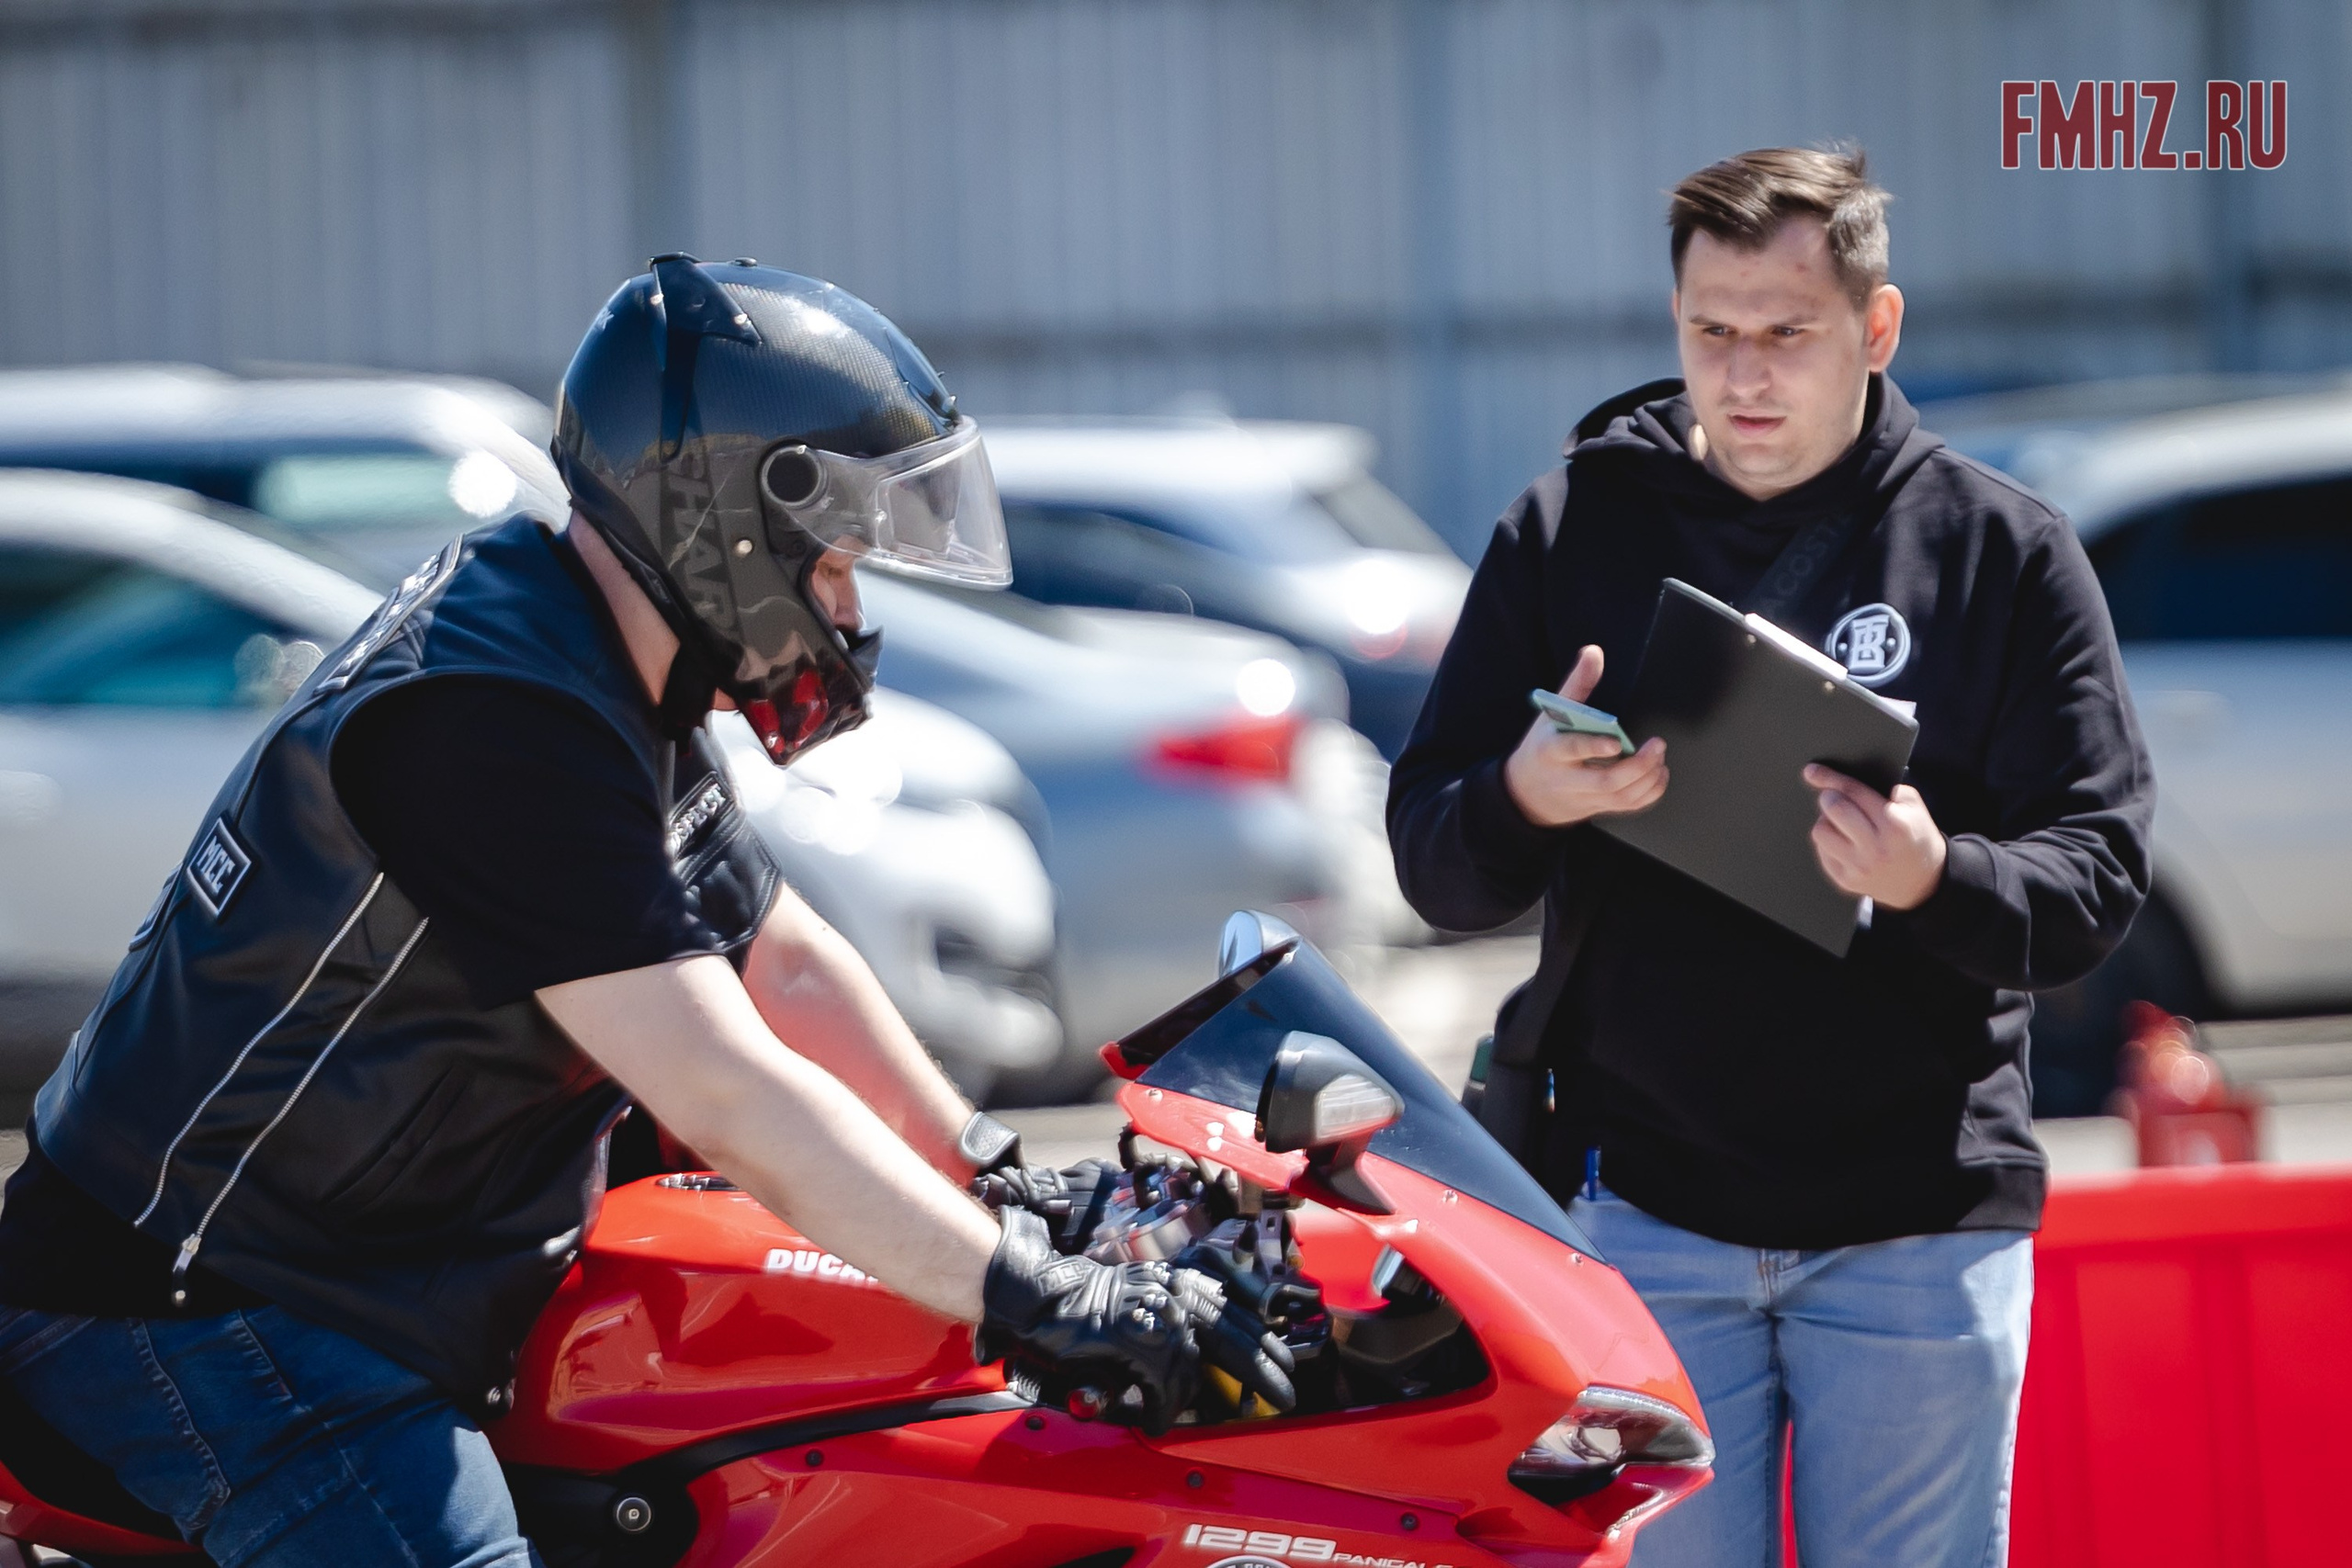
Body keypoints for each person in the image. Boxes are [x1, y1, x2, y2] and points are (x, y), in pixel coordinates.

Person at [0, 257, 1290, 1568]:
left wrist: (991, 1173)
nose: (848, 612)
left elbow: (778, 964)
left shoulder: (593, 645)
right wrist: (1039, 1299)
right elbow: (729, 1088)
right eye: (837, 565)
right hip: (208, 1310)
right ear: (727, 522)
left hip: (374, 1274)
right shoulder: (497, 725)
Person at [1388, 149, 2153, 1567]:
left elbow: (2098, 881)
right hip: (1640, 1221)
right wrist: (1527, 796)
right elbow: (1436, 864)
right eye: (1710, 332)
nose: (1743, 375)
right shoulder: (1569, 530)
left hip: (1922, 1226)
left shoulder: (2002, 553)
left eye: (1786, 333)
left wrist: (1935, 877)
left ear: (1876, 329)